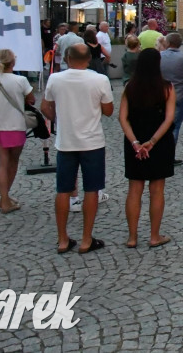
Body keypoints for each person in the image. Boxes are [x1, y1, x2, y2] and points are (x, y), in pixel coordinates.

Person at [42, 44, 114, 254]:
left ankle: (63, 239)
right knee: (91, 189)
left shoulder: (55, 79)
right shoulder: (100, 79)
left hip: (66, 141)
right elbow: (108, 110)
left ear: (67, 58)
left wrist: (59, 119)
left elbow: (45, 107)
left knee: (63, 190)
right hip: (92, 141)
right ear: (89, 59)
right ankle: (86, 239)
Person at [117, 48, 176, 249]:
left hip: (135, 142)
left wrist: (135, 142)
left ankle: (132, 237)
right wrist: (153, 141)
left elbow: (122, 118)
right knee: (157, 190)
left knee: (134, 189)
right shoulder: (167, 88)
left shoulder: (130, 87)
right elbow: (169, 118)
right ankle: (154, 236)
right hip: (159, 142)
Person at [0, 48, 33, 211]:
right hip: (15, 125)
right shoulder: (21, 80)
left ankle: (4, 198)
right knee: (13, 162)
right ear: (13, 62)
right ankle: (5, 199)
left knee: (2, 163)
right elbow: (31, 99)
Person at [159, 33, 183, 167]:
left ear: (167, 43)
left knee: (161, 123)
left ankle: (160, 152)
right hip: (179, 95)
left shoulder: (159, 56)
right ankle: (169, 155)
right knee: (175, 125)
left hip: (162, 94)